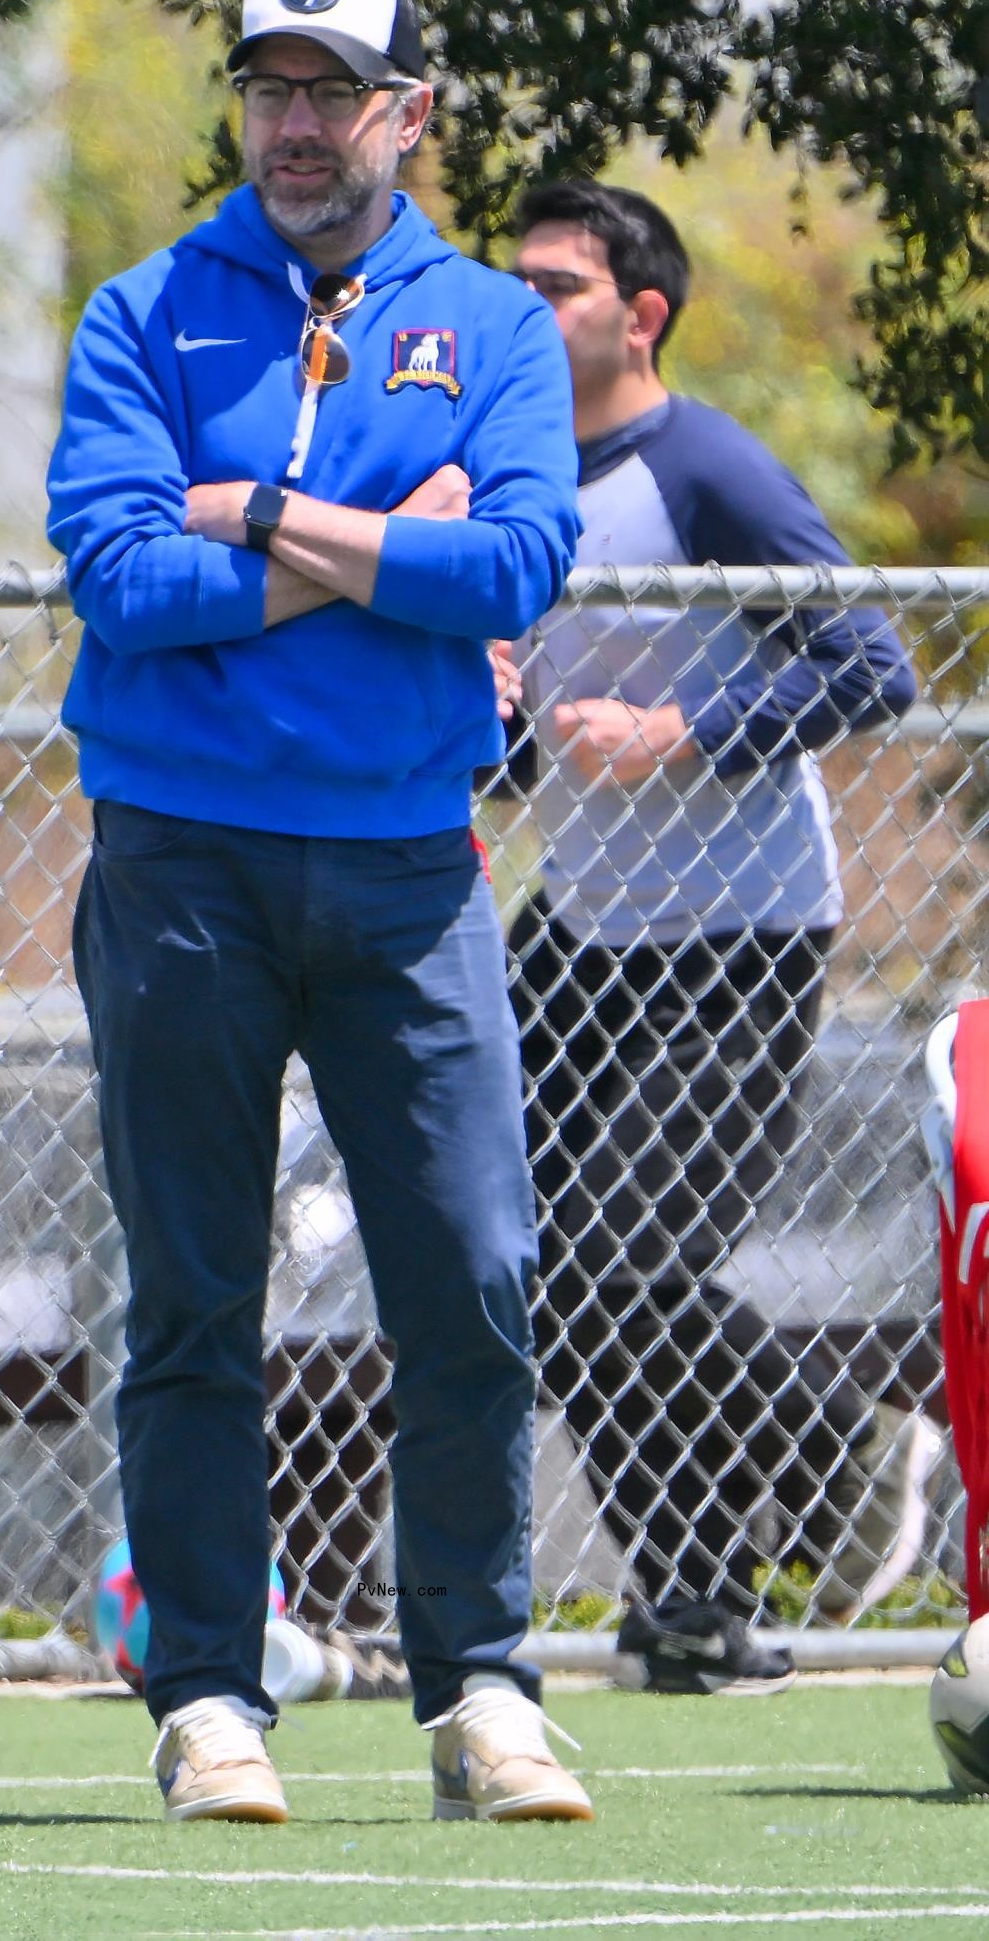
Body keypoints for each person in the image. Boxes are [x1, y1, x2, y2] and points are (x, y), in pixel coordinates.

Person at [47, 0, 593, 1825]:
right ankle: (208, 1696)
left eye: (331, 90)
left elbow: (513, 571)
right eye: (268, 86)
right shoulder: (142, 310)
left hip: (407, 871)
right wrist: (375, 548)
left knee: (470, 1274)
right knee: (195, 1294)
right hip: (178, 860)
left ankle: (484, 1688)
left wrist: (264, 518)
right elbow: (120, 586)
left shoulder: (499, 326)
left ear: (406, 116)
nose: (293, 122)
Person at [502, 178, 927, 1695]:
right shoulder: (505, 479)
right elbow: (533, 748)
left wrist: (683, 728)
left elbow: (874, 668)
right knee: (527, 1266)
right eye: (518, 284)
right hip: (584, 931)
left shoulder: (706, 470)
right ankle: (690, 1600)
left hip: (740, 933)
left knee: (625, 1259)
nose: (528, 308)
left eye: (558, 286)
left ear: (641, 315)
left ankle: (830, 1437)